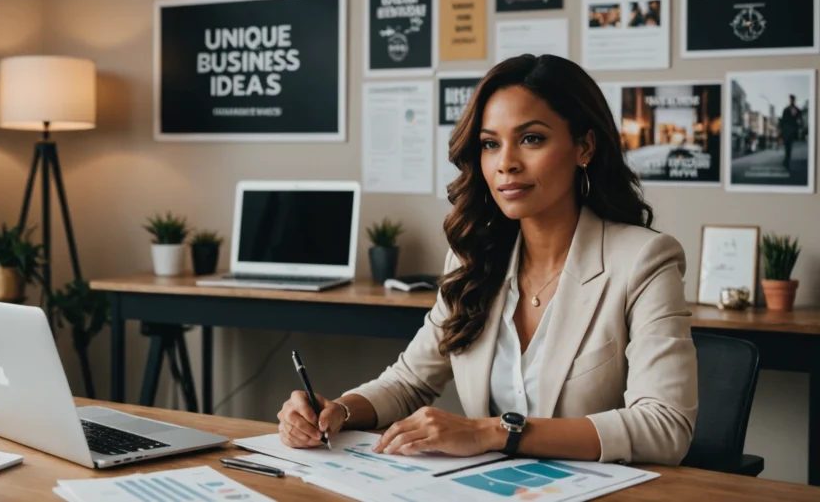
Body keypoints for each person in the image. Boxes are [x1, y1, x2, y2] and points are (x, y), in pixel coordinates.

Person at [276, 54, 697, 466]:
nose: (506, 164)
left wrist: (492, 432)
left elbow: (664, 426)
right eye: (490, 144)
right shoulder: (472, 258)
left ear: (584, 146)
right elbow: (409, 381)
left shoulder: (643, 260)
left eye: (531, 138)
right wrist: (340, 411)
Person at [779, 95, 803, 169]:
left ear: (794, 100)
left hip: (792, 130)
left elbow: (800, 120)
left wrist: (798, 126)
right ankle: (786, 160)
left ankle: (787, 160)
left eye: (792, 100)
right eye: (790, 100)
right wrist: (781, 131)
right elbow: (782, 121)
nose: (791, 101)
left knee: (789, 146)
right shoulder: (786, 109)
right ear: (789, 100)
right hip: (786, 130)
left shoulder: (797, 110)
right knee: (787, 146)